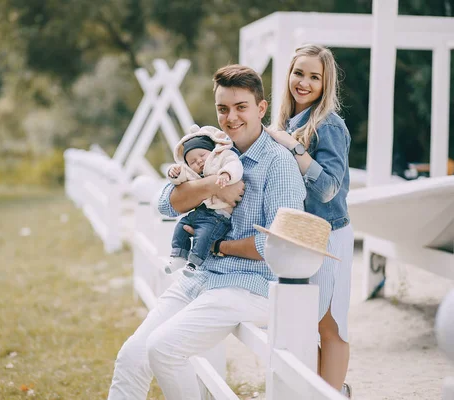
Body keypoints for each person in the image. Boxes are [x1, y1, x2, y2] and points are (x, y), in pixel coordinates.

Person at [107, 64, 306, 400]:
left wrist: (219, 247)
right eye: (223, 109)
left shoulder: (278, 164)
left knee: (164, 349)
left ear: (261, 109)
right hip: (200, 278)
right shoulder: (213, 150)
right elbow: (166, 204)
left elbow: (280, 245)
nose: (231, 118)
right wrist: (214, 184)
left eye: (241, 107)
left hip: (248, 284)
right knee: (131, 356)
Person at [266, 44, 354, 397]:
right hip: (298, 237)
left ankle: (332, 394)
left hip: (328, 235)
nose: (303, 82)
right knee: (302, 321)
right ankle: (323, 391)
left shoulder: (328, 126)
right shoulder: (287, 123)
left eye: (314, 77)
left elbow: (329, 188)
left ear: (325, 83)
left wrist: (293, 146)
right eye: (298, 73)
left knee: (329, 325)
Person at [165, 124, 243, 277]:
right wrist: (174, 173)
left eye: (202, 155)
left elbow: (235, 164)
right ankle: (179, 255)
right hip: (201, 211)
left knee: (204, 235)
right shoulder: (193, 173)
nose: (199, 162)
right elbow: (181, 178)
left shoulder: (222, 157)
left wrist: (226, 175)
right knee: (181, 227)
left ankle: (194, 262)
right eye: (192, 161)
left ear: (211, 151)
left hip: (219, 215)